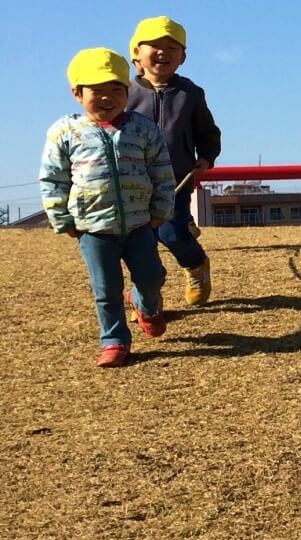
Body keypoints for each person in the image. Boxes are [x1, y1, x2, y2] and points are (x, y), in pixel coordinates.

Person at [40, 48, 175, 368]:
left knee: (152, 277)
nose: (107, 98)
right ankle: (114, 340)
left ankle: (148, 306)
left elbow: (162, 170)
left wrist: (161, 211)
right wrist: (62, 218)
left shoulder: (143, 128)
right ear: (77, 93)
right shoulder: (65, 132)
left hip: (141, 223)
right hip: (92, 228)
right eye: (97, 91)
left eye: (117, 90)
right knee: (107, 288)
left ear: (128, 92)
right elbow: (52, 178)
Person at [126, 16, 221, 305]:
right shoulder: (125, 93)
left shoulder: (190, 93)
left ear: (183, 56)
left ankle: (196, 266)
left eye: (172, 47)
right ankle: (146, 299)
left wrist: (206, 155)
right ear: (136, 54)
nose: (162, 52)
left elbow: (208, 131)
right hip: (132, 183)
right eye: (153, 45)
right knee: (141, 244)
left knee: (173, 233)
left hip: (175, 180)